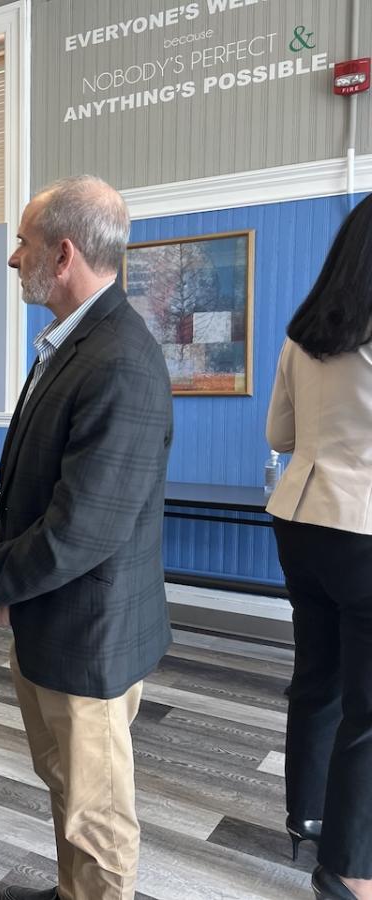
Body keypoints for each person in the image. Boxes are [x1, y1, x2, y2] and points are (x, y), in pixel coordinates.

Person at [0, 176, 173, 900]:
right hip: (56, 624)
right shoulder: (75, 342)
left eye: (22, 244)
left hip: (92, 638)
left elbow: (84, 526)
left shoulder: (121, 359)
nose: (11, 259)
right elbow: (32, 484)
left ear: (61, 253)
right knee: (67, 787)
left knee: (100, 815)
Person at [266, 195, 372, 900]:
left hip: (301, 522)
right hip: (364, 526)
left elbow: (280, 435)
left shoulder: (305, 333)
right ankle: (350, 870)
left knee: (319, 681)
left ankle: (306, 816)